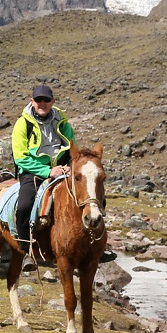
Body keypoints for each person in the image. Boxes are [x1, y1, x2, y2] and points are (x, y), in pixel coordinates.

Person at [10, 84, 114, 268]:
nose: (42, 103)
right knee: (25, 204)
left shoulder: (62, 122)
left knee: (95, 196)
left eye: (46, 100)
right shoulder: (23, 124)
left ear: (52, 102)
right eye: (38, 100)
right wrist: (47, 171)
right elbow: (20, 158)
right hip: (33, 172)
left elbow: (72, 150)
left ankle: (99, 243)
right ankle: (26, 248)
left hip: (62, 170)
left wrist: (69, 167)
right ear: (32, 101)